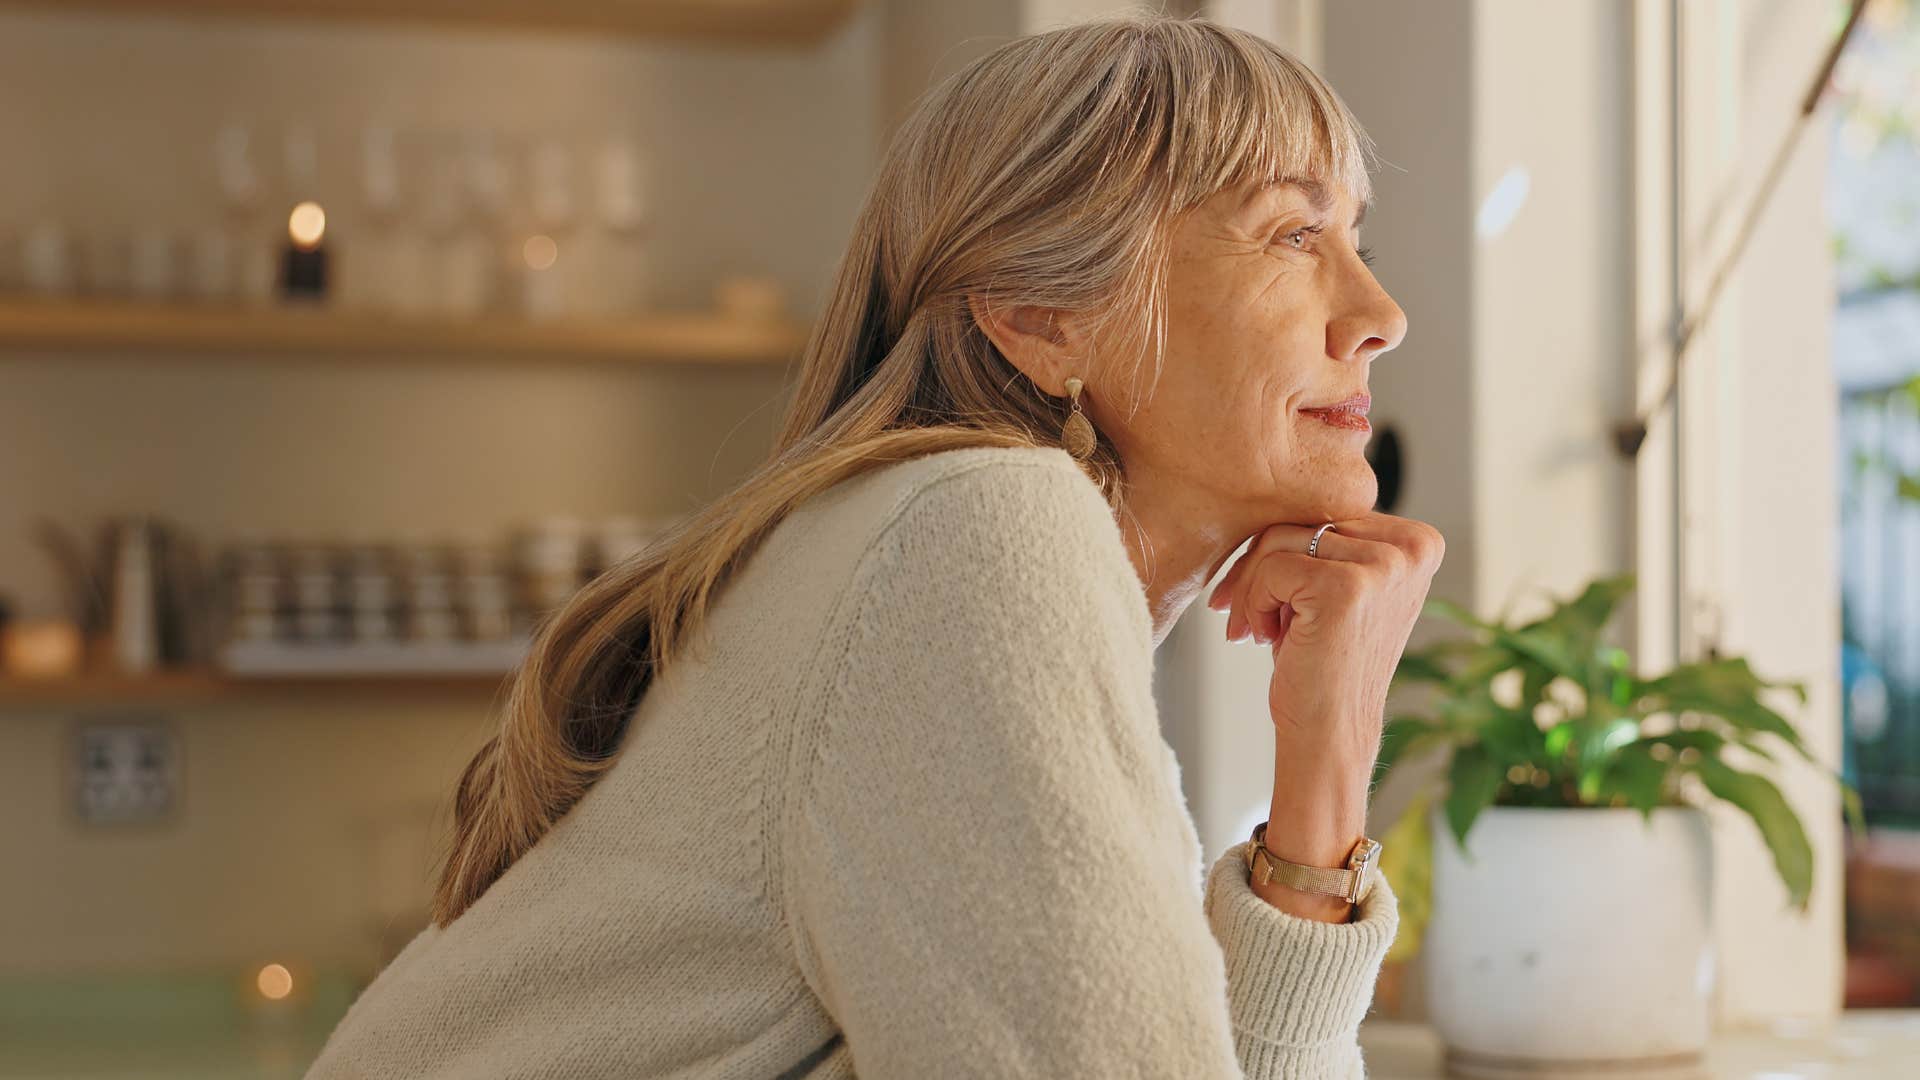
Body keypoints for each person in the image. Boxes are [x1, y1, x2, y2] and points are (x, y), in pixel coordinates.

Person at [305, 12, 1442, 1079]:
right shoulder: (976, 527)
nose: (1380, 309)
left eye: (1357, 237)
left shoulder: (922, 539)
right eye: (1295, 234)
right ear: (1043, 320)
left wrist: (1327, 760)